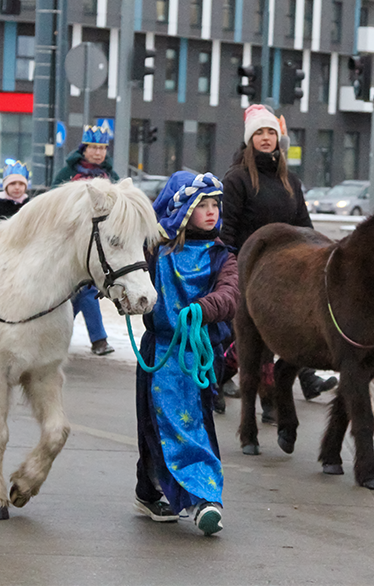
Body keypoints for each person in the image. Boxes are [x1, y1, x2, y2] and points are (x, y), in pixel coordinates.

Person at [134, 171, 238, 536]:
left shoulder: (222, 256)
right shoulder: (155, 251)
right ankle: (149, 493)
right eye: (202, 205)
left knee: (194, 427)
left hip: (197, 355)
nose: (212, 212)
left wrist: (204, 308)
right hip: (158, 353)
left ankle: (204, 500)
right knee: (155, 428)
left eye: (215, 205)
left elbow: (230, 295)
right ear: (183, 210)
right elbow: (129, 275)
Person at [220, 104, 337, 407]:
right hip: (248, 270)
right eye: (259, 132)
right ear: (250, 139)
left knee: (289, 331)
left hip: (286, 273)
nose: (266, 137)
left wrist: (321, 259)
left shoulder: (291, 181)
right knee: (250, 341)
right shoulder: (237, 180)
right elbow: (227, 230)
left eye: (271, 132)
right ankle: (222, 383)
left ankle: (287, 388)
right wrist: (227, 270)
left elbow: (304, 228)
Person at [52, 125, 117, 355]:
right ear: (84, 148)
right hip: (70, 243)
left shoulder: (111, 177)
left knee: (87, 290)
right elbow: (54, 206)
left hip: (99, 245)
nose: (99, 153)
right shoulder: (67, 174)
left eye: (102, 148)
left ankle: (97, 340)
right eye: (94, 147)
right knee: (74, 292)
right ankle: (63, 336)